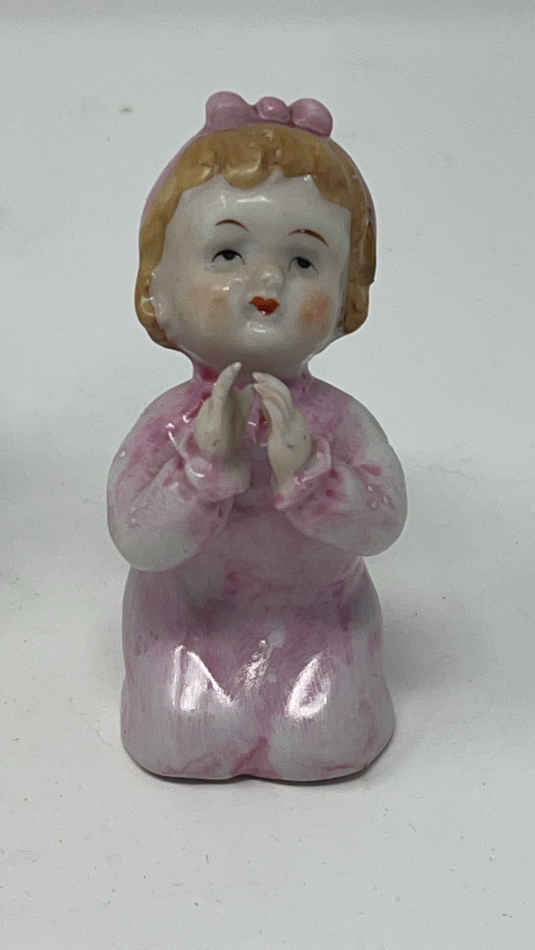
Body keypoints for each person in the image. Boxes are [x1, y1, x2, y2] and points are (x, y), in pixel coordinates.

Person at [107, 92, 407, 780]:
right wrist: (201, 471)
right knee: (179, 740)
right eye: (226, 253)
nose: (267, 283)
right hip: (188, 623)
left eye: (303, 262)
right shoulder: (171, 423)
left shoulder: (338, 422)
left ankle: (318, 688)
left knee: (328, 742)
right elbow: (137, 540)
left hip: (320, 619)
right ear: (156, 288)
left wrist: (315, 477)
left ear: (347, 297)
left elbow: (382, 524)